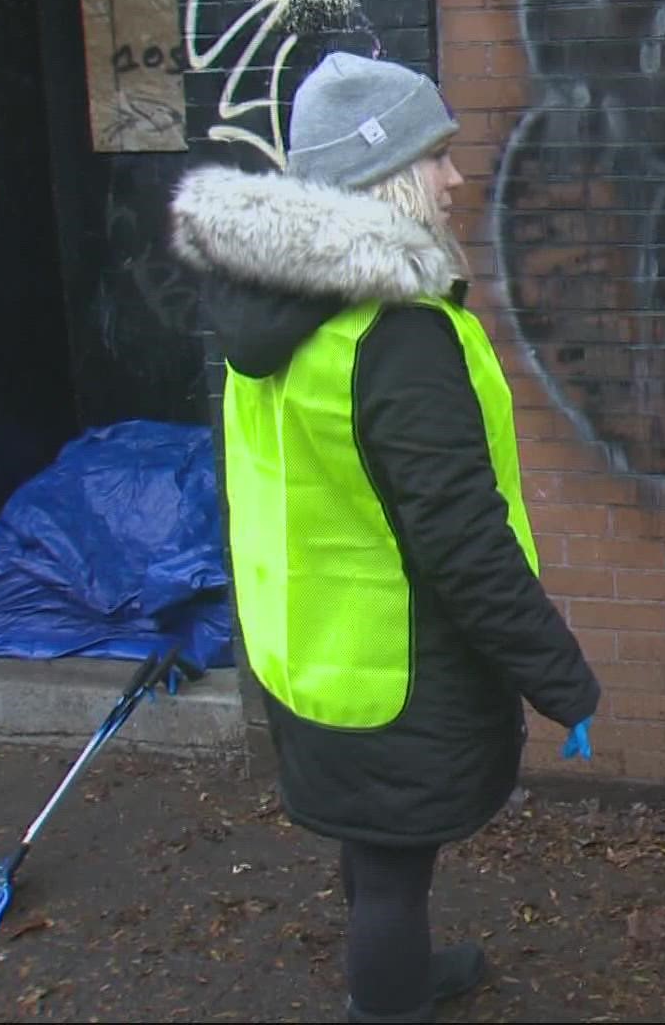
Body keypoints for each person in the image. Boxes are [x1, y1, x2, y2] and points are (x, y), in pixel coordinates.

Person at [169, 52, 603, 1024]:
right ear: (384, 173)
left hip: (307, 650)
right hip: (396, 660)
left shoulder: (267, 302)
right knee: (394, 873)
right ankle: (390, 995)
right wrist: (560, 678)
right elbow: (463, 540)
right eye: (436, 155)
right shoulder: (397, 335)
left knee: (374, 852)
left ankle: (393, 975)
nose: (455, 179)